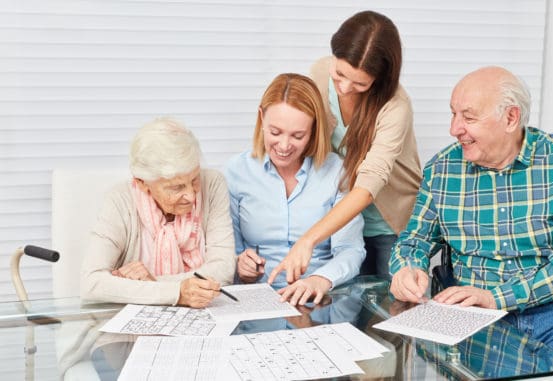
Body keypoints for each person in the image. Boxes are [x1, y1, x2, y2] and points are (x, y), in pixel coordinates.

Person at [389, 67, 553, 380]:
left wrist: (497, 297)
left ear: (511, 118)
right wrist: (405, 268)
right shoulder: (442, 169)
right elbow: (414, 241)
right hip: (474, 318)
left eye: (468, 117)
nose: (454, 128)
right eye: (453, 114)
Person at [269, 10, 422, 284]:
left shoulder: (395, 105)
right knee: (344, 308)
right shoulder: (319, 72)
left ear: (380, 79)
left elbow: (368, 186)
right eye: (339, 73)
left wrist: (309, 239)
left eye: (360, 83)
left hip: (389, 221)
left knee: (390, 311)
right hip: (339, 222)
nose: (345, 87)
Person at [224, 73, 366, 305]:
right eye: (275, 132)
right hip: (257, 302)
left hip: (320, 300)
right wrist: (241, 264)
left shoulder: (337, 172)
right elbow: (228, 253)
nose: (283, 146)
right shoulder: (236, 172)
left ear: (313, 129)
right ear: (261, 118)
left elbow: (351, 250)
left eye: (298, 135)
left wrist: (320, 279)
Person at [81, 117, 236, 308]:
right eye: (176, 187)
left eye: (194, 180)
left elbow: (224, 269)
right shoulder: (119, 201)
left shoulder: (212, 184)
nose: (191, 196)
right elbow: (91, 283)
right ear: (143, 184)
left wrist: (151, 284)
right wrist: (177, 293)